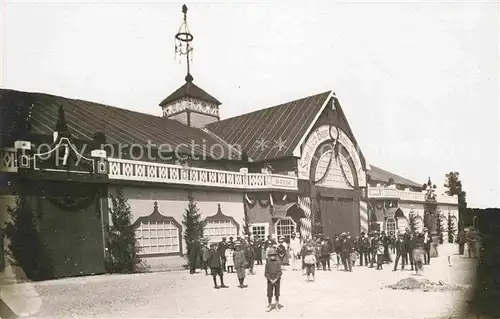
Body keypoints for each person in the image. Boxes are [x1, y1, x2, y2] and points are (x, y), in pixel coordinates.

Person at [264, 247, 283, 312]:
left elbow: (280, 272)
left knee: (277, 293)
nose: (272, 257)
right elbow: (265, 273)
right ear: (269, 256)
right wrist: (270, 279)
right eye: (271, 256)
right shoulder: (267, 263)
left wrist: (276, 279)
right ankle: (269, 305)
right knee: (269, 293)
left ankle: (277, 305)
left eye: (274, 255)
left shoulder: (278, 263)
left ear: (275, 256)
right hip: (270, 281)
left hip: (277, 281)